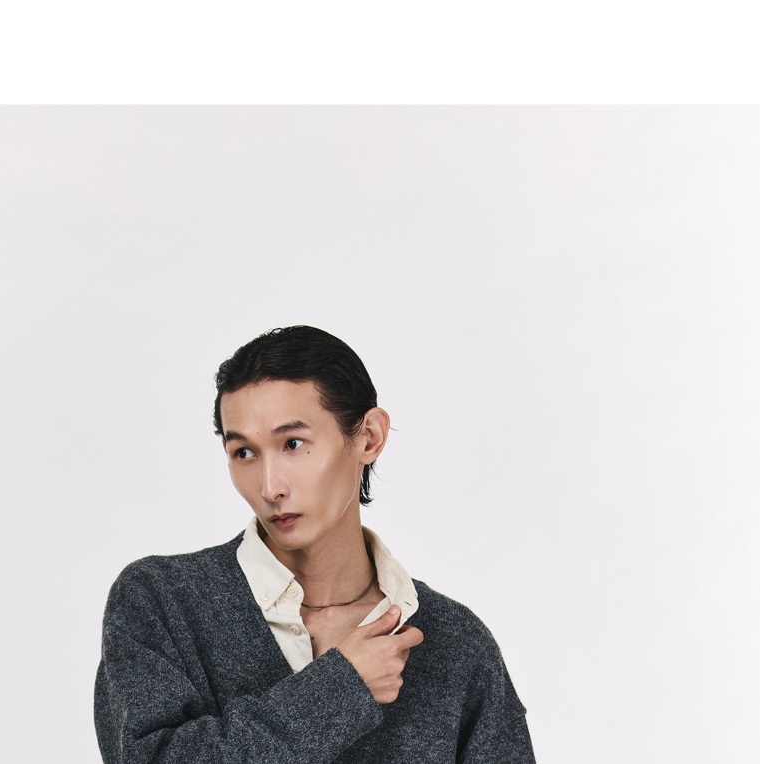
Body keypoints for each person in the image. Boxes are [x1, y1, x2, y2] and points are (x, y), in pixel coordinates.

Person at [95, 324, 534, 763]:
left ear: (369, 437)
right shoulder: (161, 601)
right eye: (244, 452)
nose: (269, 487)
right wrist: (341, 689)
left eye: (293, 444)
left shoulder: (455, 642)